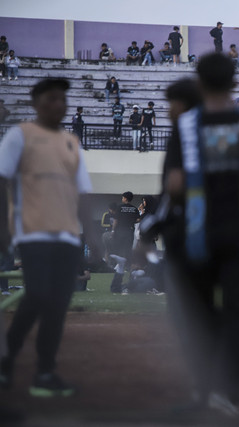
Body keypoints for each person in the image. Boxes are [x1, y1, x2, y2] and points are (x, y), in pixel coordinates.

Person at [161, 53, 239, 413]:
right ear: (235, 83)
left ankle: (202, 390)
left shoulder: (185, 126)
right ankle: (228, 395)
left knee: (200, 314)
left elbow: (175, 182)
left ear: (199, 82)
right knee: (237, 315)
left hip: (199, 234)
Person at [0, 78, 93, 397]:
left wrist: (86, 240)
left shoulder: (71, 142)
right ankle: (7, 359)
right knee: (38, 294)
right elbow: (2, 181)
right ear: (36, 102)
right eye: (52, 98)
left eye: (63, 99)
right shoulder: (20, 136)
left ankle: (45, 373)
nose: (60, 105)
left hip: (67, 236)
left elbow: (83, 194)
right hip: (32, 231)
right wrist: (2, 230)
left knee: (56, 305)